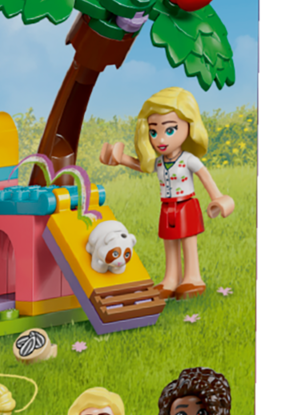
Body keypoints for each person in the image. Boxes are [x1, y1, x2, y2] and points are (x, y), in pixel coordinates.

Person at [98, 89, 234, 297]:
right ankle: (171, 278)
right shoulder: (160, 162)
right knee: (169, 243)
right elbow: (142, 166)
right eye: (153, 132)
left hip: (186, 205)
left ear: (189, 126)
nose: (160, 139)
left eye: (169, 130)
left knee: (188, 241)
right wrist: (121, 159)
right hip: (167, 207)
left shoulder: (188, 159)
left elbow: (205, 177)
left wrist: (217, 198)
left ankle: (193, 278)